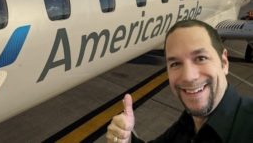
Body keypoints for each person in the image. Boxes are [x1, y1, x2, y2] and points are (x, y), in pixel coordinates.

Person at [106, 19, 253, 143]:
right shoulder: (187, 124)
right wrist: (127, 139)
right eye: (175, 63)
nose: (188, 76)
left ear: (224, 62)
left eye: (201, 58)